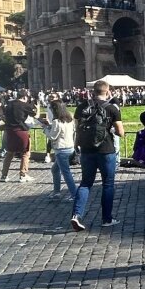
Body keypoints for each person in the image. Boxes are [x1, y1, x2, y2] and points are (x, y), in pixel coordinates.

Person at [70, 81, 124, 231]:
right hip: (106, 149)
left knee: (86, 183)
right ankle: (107, 218)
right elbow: (121, 132)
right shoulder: (112, 108)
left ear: (92, 91)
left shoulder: (81, 107)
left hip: (87, 149)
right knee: (108, 184)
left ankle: (76, 215)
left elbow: (77, 127)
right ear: (107, 92)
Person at [41, 100, 77, 200]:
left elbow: (53, 137)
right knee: (55, 169)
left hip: (61, 150)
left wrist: (45, 129)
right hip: (70, 147)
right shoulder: (69, 119)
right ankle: (56, 192)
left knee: (66, 173)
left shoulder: (56, 121)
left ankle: (74, 194)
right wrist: (49, 127)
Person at [0, 89, 37, 183]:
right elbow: (34, 114)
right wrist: (37, 107)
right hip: (21, 130)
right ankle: (23, 174)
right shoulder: (24, 105)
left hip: (10, 131)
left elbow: (3, 114)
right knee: (25, 153)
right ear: (25, 97)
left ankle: (4, 175)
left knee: (9, 153)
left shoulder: (9, 104)